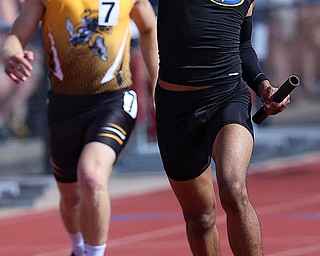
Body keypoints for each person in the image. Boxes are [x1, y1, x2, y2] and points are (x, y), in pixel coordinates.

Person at [1, 0, 158, 255]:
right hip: (64, 109)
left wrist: (156, 84)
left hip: (113, 102)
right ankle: (77, 248)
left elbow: (150, 28)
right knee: (71, 197)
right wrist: (11, 55)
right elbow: (15, 37)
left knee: (92, 177)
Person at [155, 0, 291, 255]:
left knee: (233, 189)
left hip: (227, 98)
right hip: (175, 107)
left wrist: (263, 86)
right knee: (200, 218)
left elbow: (243, 45)